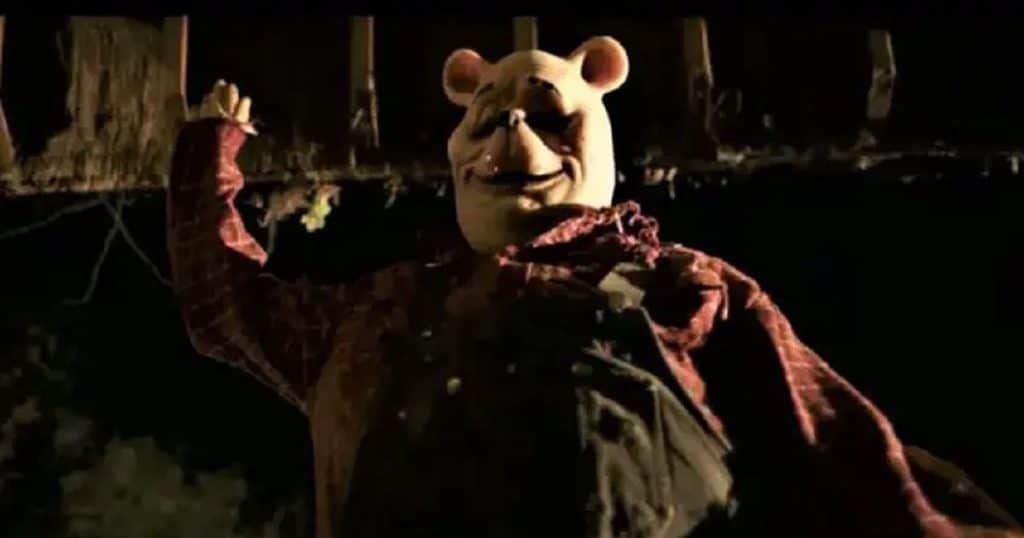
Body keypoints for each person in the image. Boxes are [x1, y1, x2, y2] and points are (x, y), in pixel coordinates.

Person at [167, 36, 1022, 537]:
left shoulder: (687, 286)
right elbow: (225, 305)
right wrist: (209, 153)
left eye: (548, 115)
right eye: (488, 116)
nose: (512, 130)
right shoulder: (373, 313)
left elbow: (841, 453)